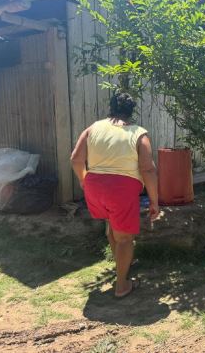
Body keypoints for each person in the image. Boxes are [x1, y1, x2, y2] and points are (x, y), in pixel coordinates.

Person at [70, 92, 159, 298]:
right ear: (131, 111)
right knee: (125, 238)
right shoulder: (139, 133)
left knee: (112, 227)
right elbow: (148, 170)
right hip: (121, 189)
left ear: (111, 107)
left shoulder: (93, 128)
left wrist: (84, 180)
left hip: (94, 186)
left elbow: (76, 158)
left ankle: (122, 267)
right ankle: (121, 285)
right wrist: (154, 200)